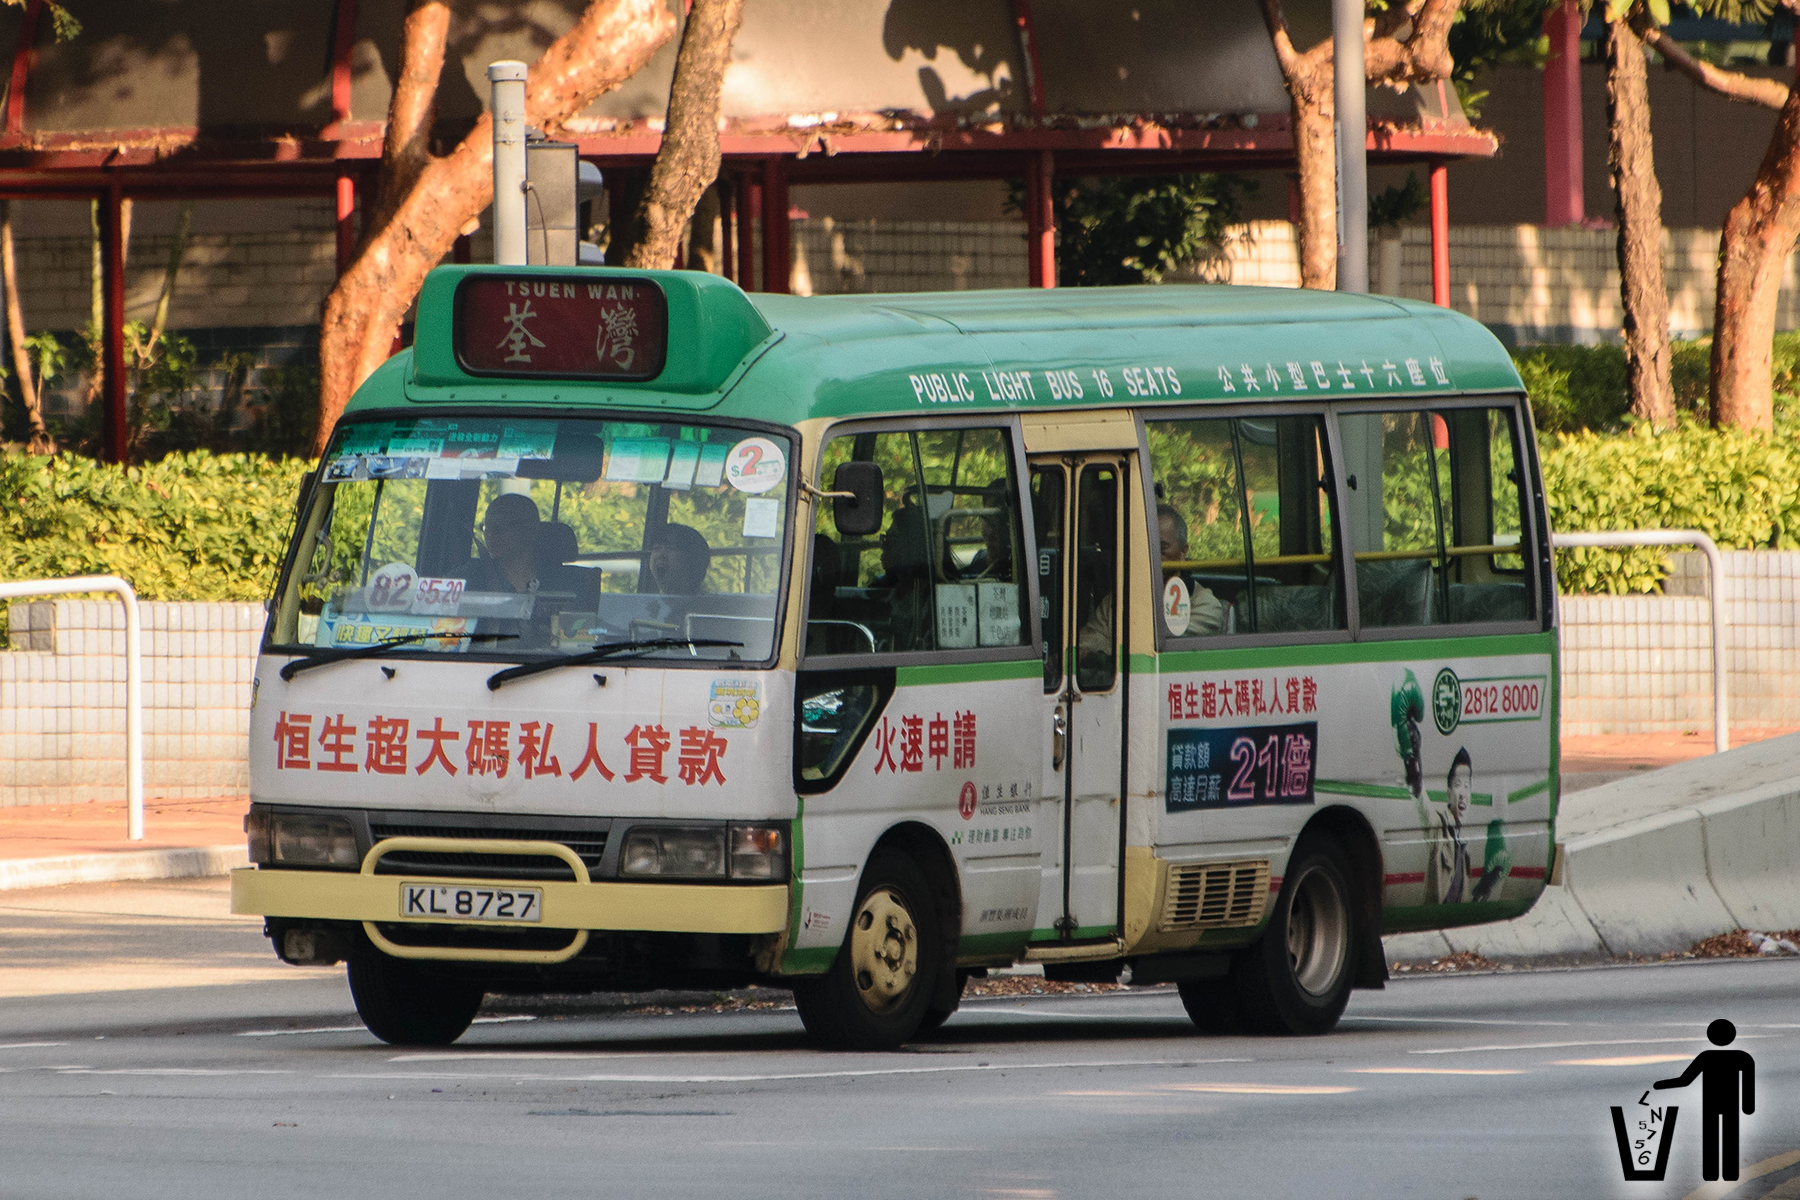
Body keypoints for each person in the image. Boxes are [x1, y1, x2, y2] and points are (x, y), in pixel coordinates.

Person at [1076, 503, 1223, 665]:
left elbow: (1158, 645)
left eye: (1162, 548)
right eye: (1145, 547)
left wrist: (1106, 651)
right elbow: (1087, 642)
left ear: (1183, 551)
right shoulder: (1117, 601)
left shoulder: (1205, 606)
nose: (1151, 556)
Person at [1655, 1019, 1755, 1182]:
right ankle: (1729, 1173)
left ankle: (1712, 1173)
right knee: (1729, 1138)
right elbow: (1748, 1083)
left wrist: (1660, 1084)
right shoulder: (1742, 1057)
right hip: (1729, 1104)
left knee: (1711, 1139)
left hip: (1711, 1103)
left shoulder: (1706, 1057)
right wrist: (1748, 1105)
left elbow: (1684, 1080)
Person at [1425, 747, 1474, 905]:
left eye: (1467, 786)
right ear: (1448, 793)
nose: (1463, 794)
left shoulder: (1464, 842)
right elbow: (1425, 811)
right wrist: (1417, 784)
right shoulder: (1439, 826)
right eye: (1458, 784)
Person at [471, 492, 544, 593]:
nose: (491, 534)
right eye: (488, 527)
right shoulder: (470, 579)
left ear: (530, 530)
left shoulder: (559, 581)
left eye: (501, 527)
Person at [645, 523, 711, 594]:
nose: (660, 555)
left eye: (671, 548)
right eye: (656, 548)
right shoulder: (648, 600)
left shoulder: (709, 601)